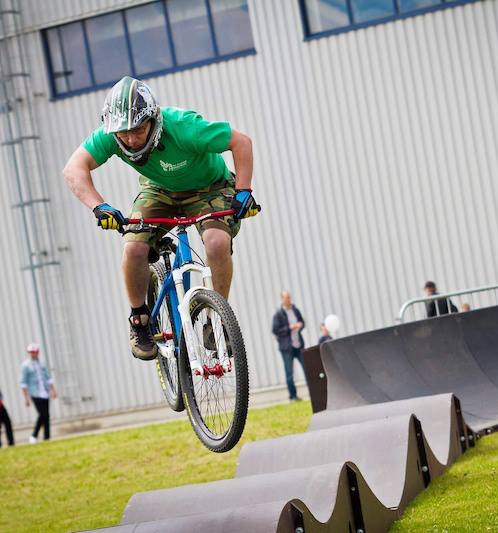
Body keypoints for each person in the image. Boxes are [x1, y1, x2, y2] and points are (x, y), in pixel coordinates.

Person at [63, 76, 258, 361]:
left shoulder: (183, 126)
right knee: (133, 247)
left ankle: (216, 319)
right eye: (123, 133)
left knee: (216, 242)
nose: (130, 138)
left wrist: (243, 191)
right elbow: (74, 168)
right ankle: (139, 320)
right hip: (158, 191)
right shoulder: (112, 134)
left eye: (138, 129)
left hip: (209, 188)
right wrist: (99, 206)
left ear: (154, 121)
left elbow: (241, 142)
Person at [19, 343, 57, 443]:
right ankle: (34, 435)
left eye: (35, 352)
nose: (33, 354)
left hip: (45, 392)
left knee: (46, 415)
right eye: (31, 352)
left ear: (37, 352)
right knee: (42, 414)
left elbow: (48, 378)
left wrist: (53, 390)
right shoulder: (25, 366)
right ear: (29, 353)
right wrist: (26, 398)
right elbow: (23, 383)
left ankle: (47, 437)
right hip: (35, 393)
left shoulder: (42, 364)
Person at [271, 291, 305, 401]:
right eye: (286, 297)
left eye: (289, 297)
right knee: (289, 373)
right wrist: (289, 327)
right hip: (287, 348)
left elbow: (302, 322)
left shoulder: (295, 310)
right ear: (282, 299)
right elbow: (275, 330)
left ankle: (315, 392)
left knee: (307, 369)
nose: (289, 299)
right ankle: (293, 396)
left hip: (298, 345)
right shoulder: (278, 314)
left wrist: (300, 325)